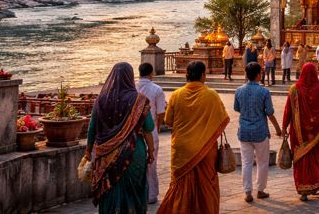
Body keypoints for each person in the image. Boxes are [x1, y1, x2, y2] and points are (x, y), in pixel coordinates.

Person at [158, 61, 229, 214]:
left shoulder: (176, 95)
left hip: (182, 149)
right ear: (203, 75)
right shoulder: (212, 95)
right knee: (206, 186)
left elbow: (168, 121)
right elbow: (222, 120)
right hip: (205, 150)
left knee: (180, 186)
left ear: (187, 75)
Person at [87, 62, 155, 213]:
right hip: (134, 152)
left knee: (110, 190)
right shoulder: (139, 100)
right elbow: (149, 128)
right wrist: (151, 152)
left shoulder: (101, 100)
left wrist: (87, 152)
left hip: (106, 154)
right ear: (130, 77)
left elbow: (92, 128)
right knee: (134, 191)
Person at [282, 63, 319, 202]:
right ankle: (315, 185)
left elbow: (288, 110)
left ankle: (304, 190)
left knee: (301, 159)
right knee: (317, 158)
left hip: (299, 133)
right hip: (317, 133)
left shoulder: (294, 89)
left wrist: (284, 127)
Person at [234, 62, 282, 203]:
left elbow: (237, 108)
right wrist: (278, 129)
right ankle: (260, 190)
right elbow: (270, 113)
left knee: (246, 162)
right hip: (260, 131)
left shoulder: (239, 91)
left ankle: (247, 192)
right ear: (257, 75)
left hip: (244, 131)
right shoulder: (264, 92)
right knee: (262, 162)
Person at [136, 62, 167, 204]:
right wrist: (157, 127)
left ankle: (137, 193)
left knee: (136, 163)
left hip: (134, 132)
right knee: (151, 164)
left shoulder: (133, 88)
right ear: (151, 73)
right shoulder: (156, 89)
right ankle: (151, 194)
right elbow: (161, 113)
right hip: (151, 129)